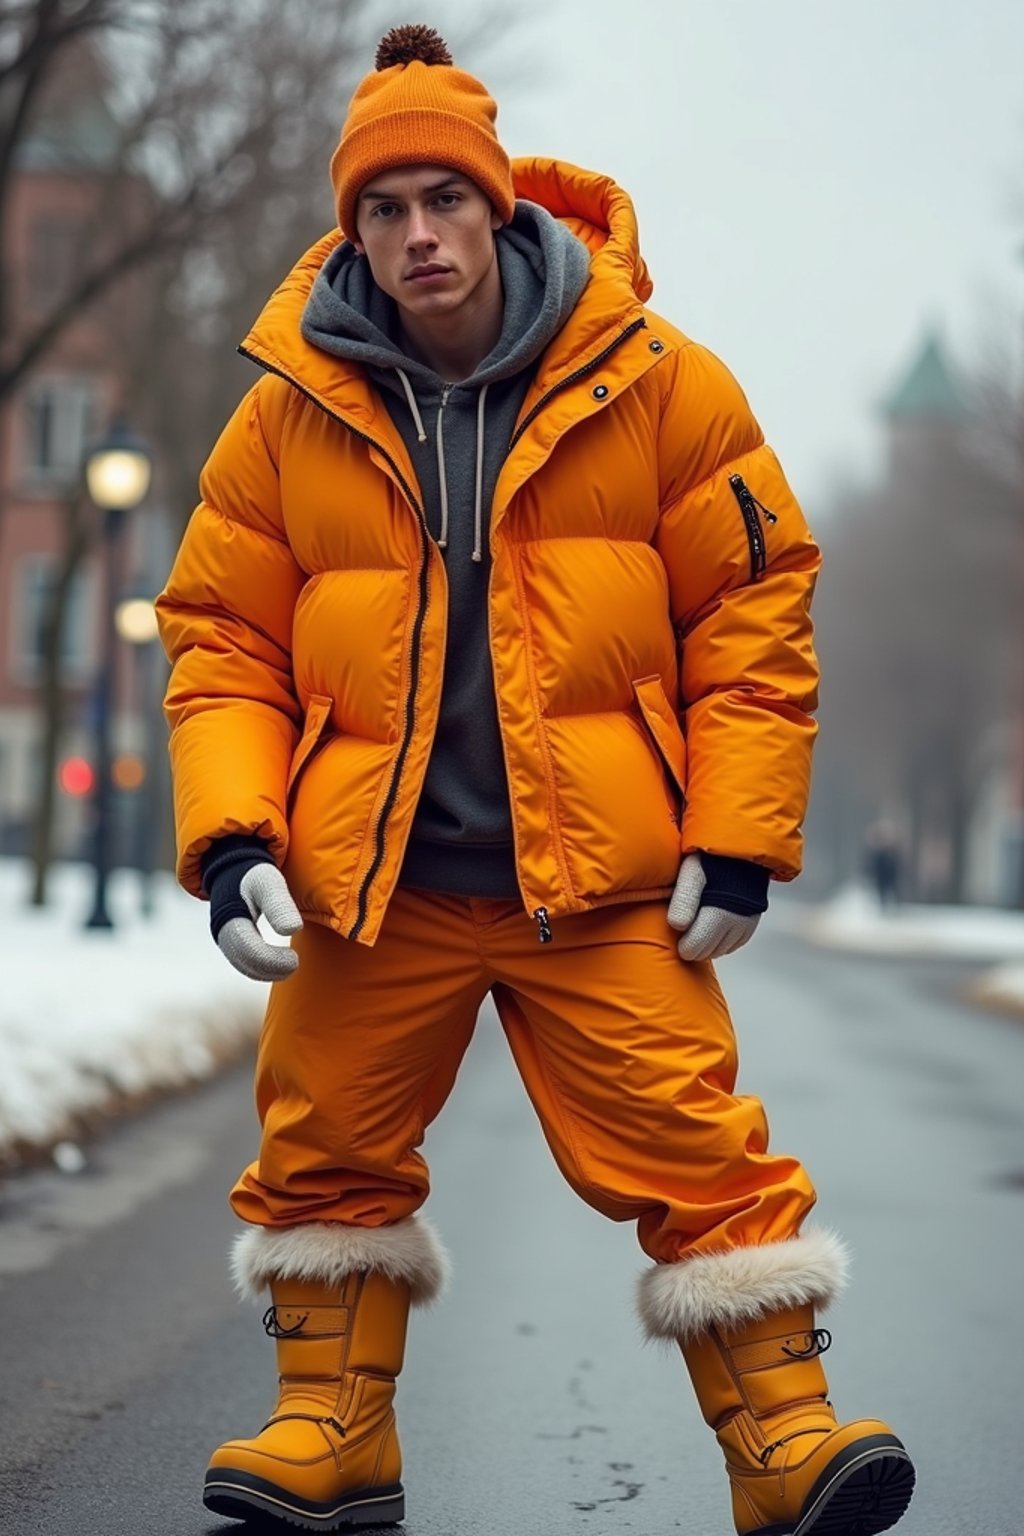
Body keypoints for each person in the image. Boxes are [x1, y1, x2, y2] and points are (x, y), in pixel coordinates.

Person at [156, 25, 915, 1535]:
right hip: (373, 892)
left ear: (502, 207)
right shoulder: (286, 406)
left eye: (445, 199)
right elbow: (218, 634)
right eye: (385, 208)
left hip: (607, 886)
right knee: (320, 1150)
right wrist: (234, 836)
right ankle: (331, 1434)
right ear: (352, 226)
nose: (419, 235)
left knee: (700, 1152)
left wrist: (740, 837)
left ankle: (786, 1445)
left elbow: (755, 612)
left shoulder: (660, 380)